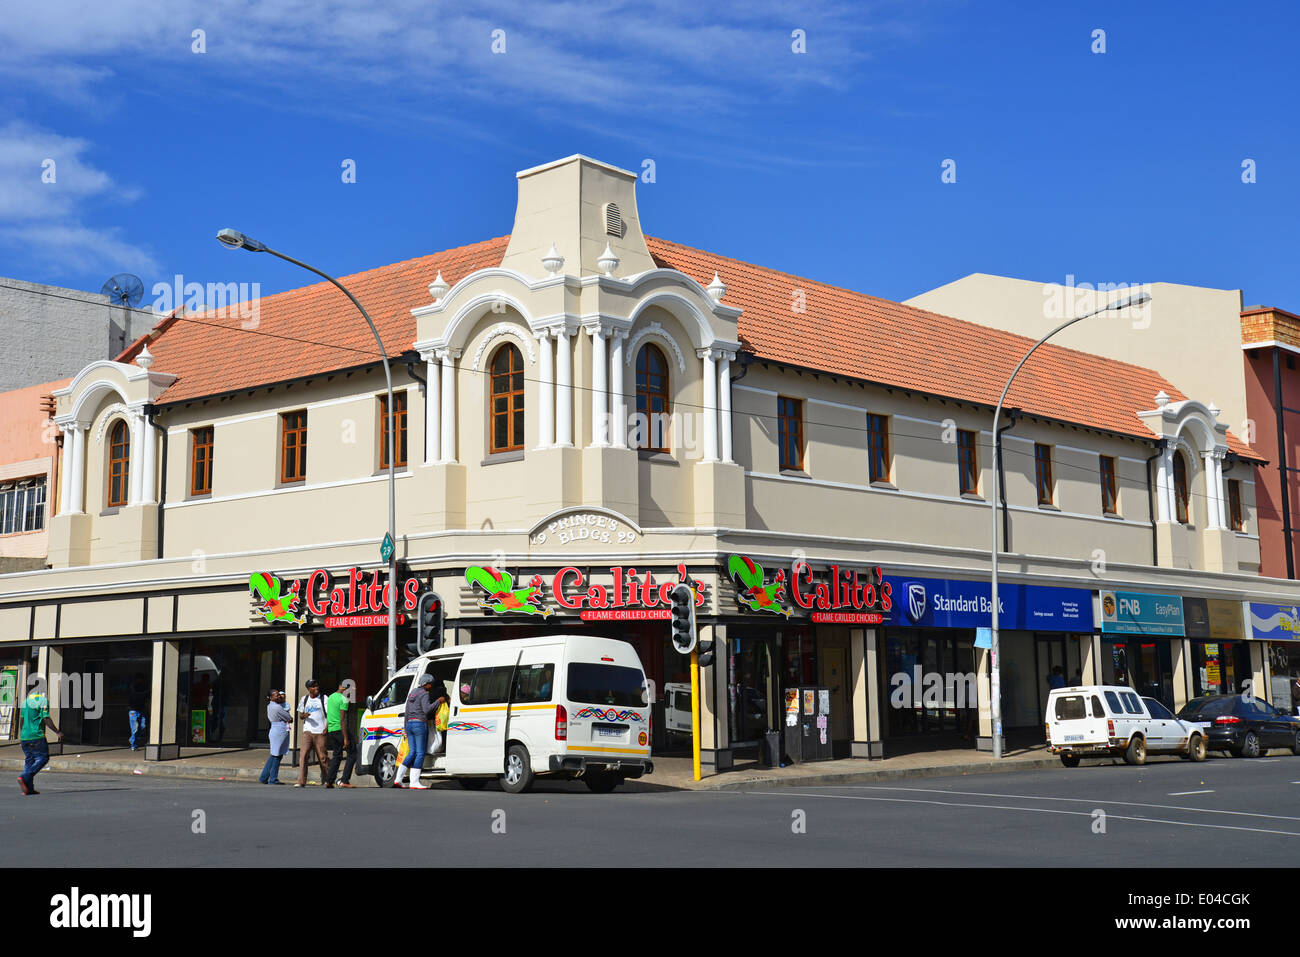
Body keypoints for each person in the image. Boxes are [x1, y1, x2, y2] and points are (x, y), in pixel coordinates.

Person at [393, 673, 439, 790]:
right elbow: (427, 709)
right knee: (420, 753)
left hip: (409, 725)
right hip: (419, 724)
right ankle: (414, 782)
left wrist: (405, 727)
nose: (431, 686)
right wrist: (438, 701)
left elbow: (407, 711)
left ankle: (398, 779)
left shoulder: (412, 693)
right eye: (430, 684)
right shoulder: (424, 694)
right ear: (427, 684)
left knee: (411, 753)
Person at [17, 685, 62, 795]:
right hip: (37, 736)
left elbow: (21, 721)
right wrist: (57, 731)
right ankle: (24, 776)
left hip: (25, 737)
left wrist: (23, 735)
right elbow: (45, 718)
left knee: (30, 760)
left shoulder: (26, 702)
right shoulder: (43, 700)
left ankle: (29, 788)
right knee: (43, 758)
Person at [295, 679, 329, 788]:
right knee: (303, 755)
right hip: (308, 731)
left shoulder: (324, 698)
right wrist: (304, 716)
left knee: (323, 757)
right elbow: (300, 715)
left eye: (317, 686)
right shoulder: (304, 699)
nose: (316, 688)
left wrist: (326, 729)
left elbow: (330, 715)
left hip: (320, 731)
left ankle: (327, 779)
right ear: (309, 689)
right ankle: (301, 781)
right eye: (313, 686)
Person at [325, 680, 357, 789]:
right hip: (340, 729)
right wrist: (346, 738)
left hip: (332, 730)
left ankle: (329, 781)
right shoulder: (344, 699)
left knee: (337, 755)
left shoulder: (331, 697)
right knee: (352, 753)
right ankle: (344, 780)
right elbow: (342, 719)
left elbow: (329, 714)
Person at [260, 689, 291, 785]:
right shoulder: (277, 707)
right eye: (276, 695)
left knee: (274, 754)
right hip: (279, 730)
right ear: (271, 697)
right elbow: (289, 718)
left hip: (275, 729)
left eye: (279, 695)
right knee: (277, 755)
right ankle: (273, 778)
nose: (279, 696)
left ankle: (264, 777)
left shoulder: (270, 706)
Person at [127, 674, 148, 752]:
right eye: (139, 679)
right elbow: (135, 695)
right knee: (135, 728)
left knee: (142, 726)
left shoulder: (143, 687)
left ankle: (132, 740)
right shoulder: (132, 687)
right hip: (133, 710)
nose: (140, 681)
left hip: (141, 709)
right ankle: (133, 745)